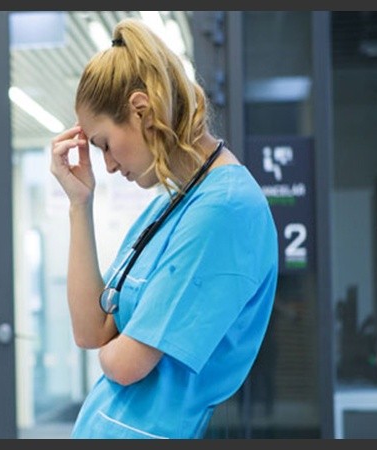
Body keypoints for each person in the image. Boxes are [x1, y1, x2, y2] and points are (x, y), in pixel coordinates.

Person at [49, 18, 278, 439]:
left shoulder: (223, 210)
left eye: (104, 144)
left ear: (140, 110)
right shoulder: (173, 205)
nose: (110, 165)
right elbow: (91, 330)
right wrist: (79, 204)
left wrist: (113, 349)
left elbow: (124, 363)